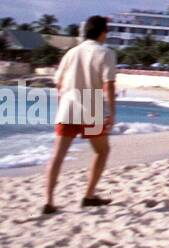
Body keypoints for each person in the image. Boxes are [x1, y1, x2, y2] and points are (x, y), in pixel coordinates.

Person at [43, 15, 117, 215]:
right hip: (91, 106)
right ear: (103, 33)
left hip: (68, 105)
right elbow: (108, 85)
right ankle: (89, 195)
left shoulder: (71, 52)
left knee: (58, 156)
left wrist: (61, 108)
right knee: (102, 151)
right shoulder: (105, 52)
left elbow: (59, 84)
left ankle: (49, 201)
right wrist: (111, 112)